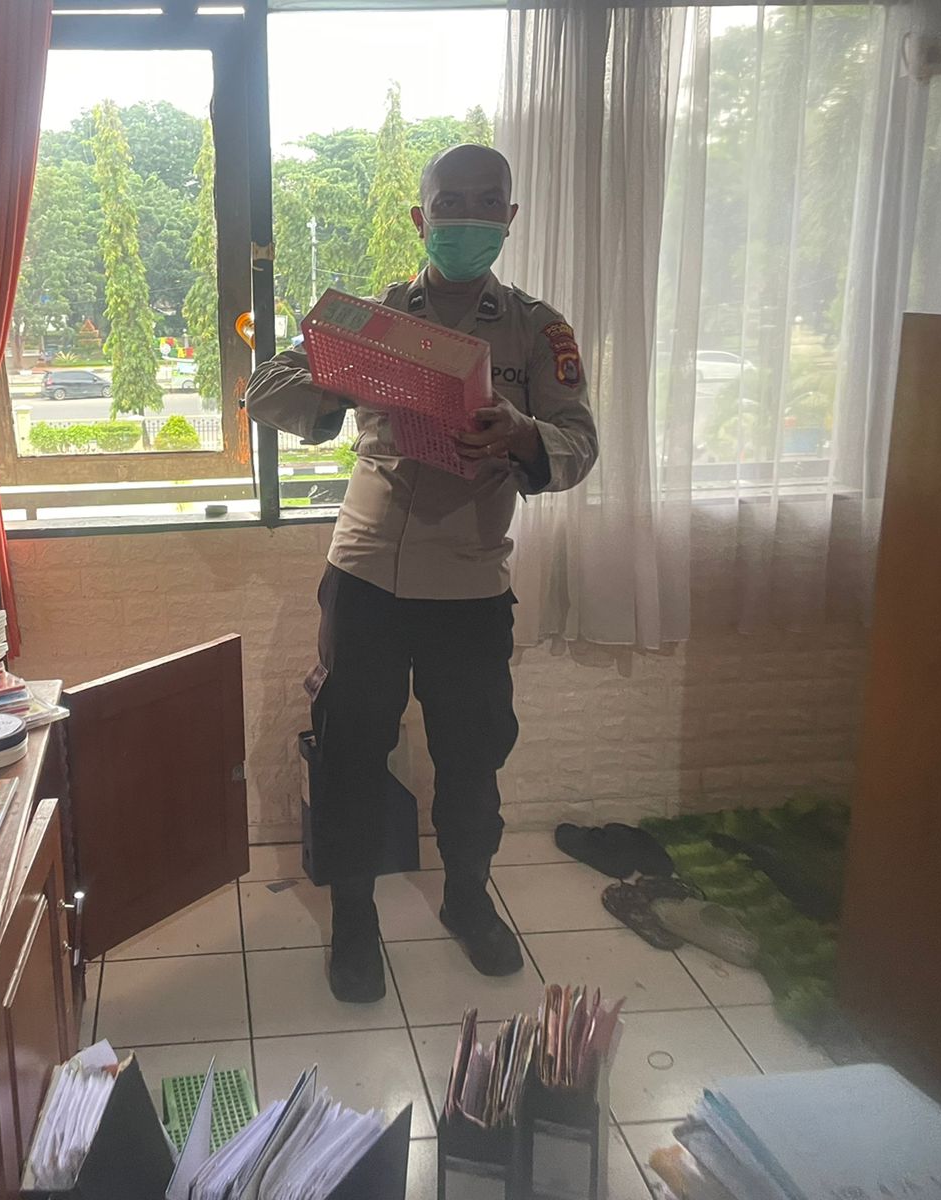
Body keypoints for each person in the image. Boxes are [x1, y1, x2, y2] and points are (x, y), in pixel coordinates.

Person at [245, 144, 599, 1003]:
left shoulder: (536, 329)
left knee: (472, 758)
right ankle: (354, 919)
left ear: (509, 217)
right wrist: (341, 386)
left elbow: (579, 442)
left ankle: (468, 899)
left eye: (486, 202)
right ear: (421, 217)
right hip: (366, 573)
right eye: (450, 202)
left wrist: (522, 432)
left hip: (471, 582)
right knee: (350, 752)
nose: (467, 217)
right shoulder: (375, 319)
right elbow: (264, 387)